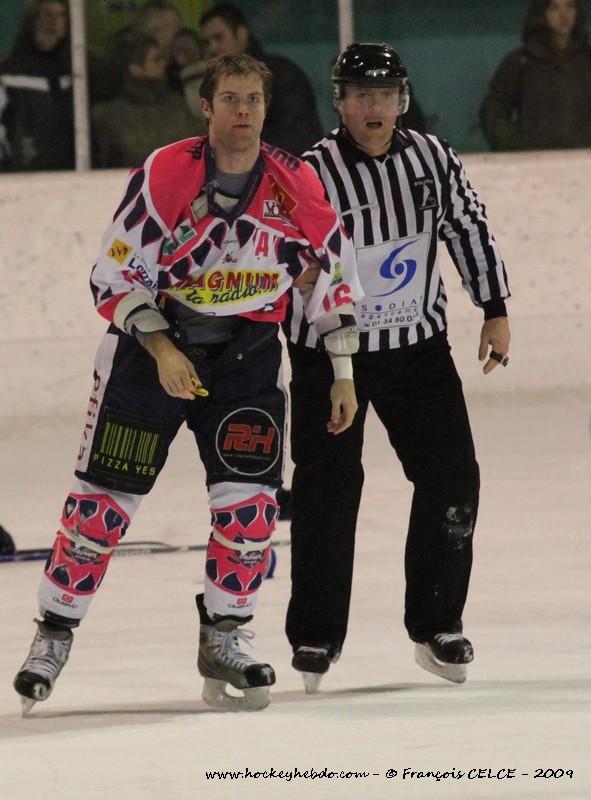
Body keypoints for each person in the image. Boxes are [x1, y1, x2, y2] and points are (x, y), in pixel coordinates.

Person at [13, 53, 362, 715]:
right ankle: (52, 635)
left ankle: (225, 635)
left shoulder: (295, 183)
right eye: (229, 98)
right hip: (150, 354)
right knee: (101, 508)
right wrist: (162, 348)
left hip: (247, 358)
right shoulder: (168, 172)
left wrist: (343, 372)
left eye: (253, 100)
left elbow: (333, 276)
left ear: (266, 108)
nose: (242, 111)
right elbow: (113, 275)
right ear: (206, 107)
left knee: (249, 509)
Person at [284, 42, 511, 692]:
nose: (374, 107)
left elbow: (466, 226)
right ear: (340, 103)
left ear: (402, 99)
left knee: (452, 478)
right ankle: (315, 634)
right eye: (362, 95)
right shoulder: (312, 171)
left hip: (417, 350)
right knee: (327, 490)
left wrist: (493, 306)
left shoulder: (431, 157)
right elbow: (284, 252)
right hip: (327, 354)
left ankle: (437, 622)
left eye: (384, 94)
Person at [199, 4, 323, 155]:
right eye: (206, 43)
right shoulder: (213, 84)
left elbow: (299, 136)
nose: (212, 48)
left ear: (241, 34)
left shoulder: (280, 74)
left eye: (219, 37)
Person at [479, 0, 591, 151]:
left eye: (570, 6)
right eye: (554, 8)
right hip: (535, 160)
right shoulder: (521, 62)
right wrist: (516, 145)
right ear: (541, 14)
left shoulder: (587, 61)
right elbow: (493, 110)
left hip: (584, 158)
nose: (563, 15)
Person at [92, 32, 200, 168]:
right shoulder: (109, 116)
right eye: (156, 60)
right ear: (135, 68)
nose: (163, 64)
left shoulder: (177, 105)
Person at [0, 0, 74, 171]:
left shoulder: (76, 72)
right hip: (22, 177)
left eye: (60, 16)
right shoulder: (8, 75)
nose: (52, 22)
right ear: (31, 22)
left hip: (72, 175)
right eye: (46, 14)